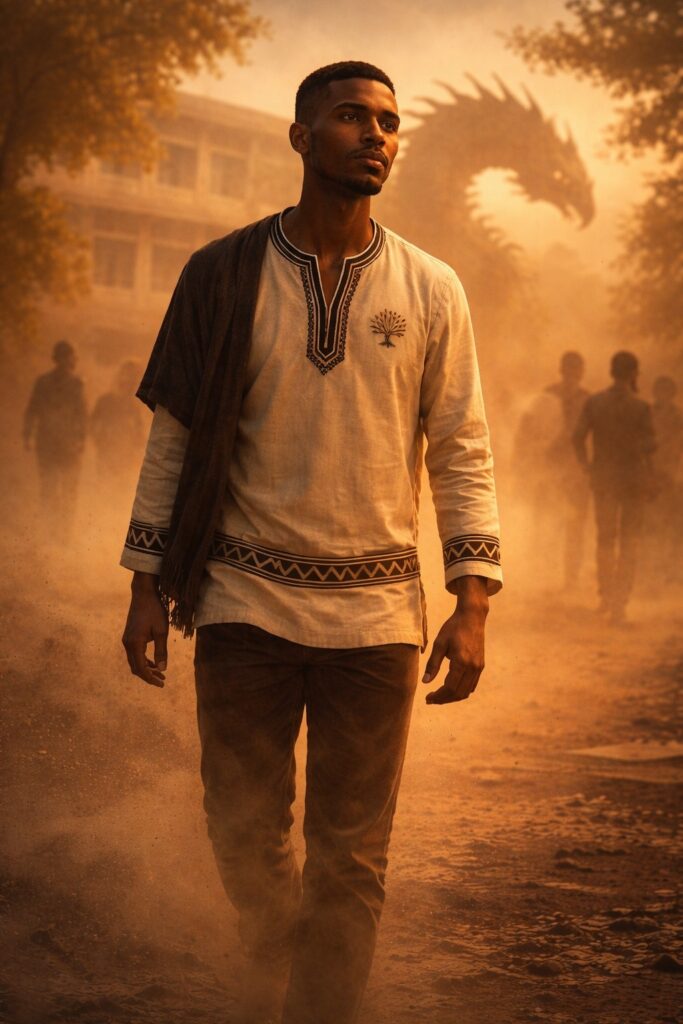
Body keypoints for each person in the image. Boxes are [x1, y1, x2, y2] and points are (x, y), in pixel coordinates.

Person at [120, 62, 502, 1024]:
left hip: (377, 621)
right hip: (242, 604)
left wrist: (472, 599)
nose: (376, 135)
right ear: (299, 138)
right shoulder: (219, 273)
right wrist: (144, 584)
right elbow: (173, 438)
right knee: (241, 835)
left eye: (389, 122)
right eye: (350, 117)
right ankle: (274, 962)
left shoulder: (432, 287)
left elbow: (461, 446)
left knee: (352, 858)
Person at [573, 350, 655, 624]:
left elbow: (577, 437)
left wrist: (587, 466)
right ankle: (620, 603)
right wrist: (650, 475)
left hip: (604, 480)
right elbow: (650, 447)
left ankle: (606, 596)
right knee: (629, 541)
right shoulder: (641, 407)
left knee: (605, 539)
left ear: (612, 372)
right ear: (633, 374)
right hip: (632, 481)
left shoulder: (595, 403)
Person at [513, 350, 590, 590]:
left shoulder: (587, 400)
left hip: (574, 470)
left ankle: (569, 578)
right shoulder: (549, 396)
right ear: (562, 369)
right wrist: (527, 457)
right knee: (546, 521)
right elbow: (528, 428)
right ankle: (544, 573)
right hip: (550, 469)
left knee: (573, 525)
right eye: (570, 368)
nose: (572, 373)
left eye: (575, 369)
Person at [23, 339, 87, 542]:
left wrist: (81, 440)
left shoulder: (73, 383)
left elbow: (82, 416)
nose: (73, 360)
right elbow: (33, 410)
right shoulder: (48, 383)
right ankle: (52, 532)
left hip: (63, 445)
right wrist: (27, 434)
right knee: (52, 488)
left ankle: (61, 534)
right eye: (71, 356)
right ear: (62, 358)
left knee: (63, 490)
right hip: (53, 444)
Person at [90, 359, 146, 494]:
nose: (128, 386)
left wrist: (137, 449)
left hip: (126, 455)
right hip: (107, 452)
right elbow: (93, 424)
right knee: (106, 488)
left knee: (121, 490)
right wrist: (99, 441)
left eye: (131, 382)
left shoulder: (133, 406)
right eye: (126, 382)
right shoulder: (106, 401)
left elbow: (139, 433)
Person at [648, 375, 683, 580]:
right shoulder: (646, 414)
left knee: (671, 523)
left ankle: (670, 570)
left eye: (667, 392)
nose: (662, 396)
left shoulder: (679, 417)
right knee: (651, 523)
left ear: (672, 394)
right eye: (659, 391)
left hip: (672, 476)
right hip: (651, 475)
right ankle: (649, 570)